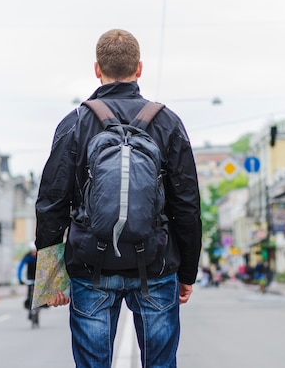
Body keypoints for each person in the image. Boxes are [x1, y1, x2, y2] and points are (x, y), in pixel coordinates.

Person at [36, 29, 202, 368]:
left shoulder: (75, 123)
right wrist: (187, 273)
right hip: (156, 266)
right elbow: (186, 205)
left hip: (90, 265)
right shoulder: (168, 123)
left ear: (97, 69)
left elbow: (51, 202)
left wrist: (51, 277)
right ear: (139, 69)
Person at [17, 244, 37, 314]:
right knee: (29, 293)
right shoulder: (27, 257)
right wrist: (20, 278)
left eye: (35, 251)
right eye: (32, 252)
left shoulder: (40, 256)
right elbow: (20, 267)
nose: (34, 253)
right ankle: (29, 306)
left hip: (38, 278)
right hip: (30, 278)